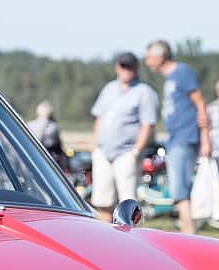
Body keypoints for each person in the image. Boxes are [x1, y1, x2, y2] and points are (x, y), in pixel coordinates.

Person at [143, 40, 209, 235]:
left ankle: (189, 234)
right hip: (175, 137)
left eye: (149, 57)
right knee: (178, 189)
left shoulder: (182, 72)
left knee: (180, 189)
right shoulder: (171, 78)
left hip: (185, 137)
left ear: (160, 56)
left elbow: (200, 104)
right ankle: (187, 231)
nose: (147, 62)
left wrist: (205, 138)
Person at [88, 51, 157, 221]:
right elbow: (99, 117)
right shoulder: (109, 88)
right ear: (117, 68)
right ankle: (104, 239)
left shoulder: (144, 92)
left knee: (128, 205)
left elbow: (148, 124)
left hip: (126, 153)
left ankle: (131, 242)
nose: (127, 70)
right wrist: (95, 146)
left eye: (130, 66)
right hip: (103, 152)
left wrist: (135, 152)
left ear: (136, 68)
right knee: (103, 202)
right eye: (123, 66)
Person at [27, 101, 65, 168]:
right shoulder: (53, 127)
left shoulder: (30, 125)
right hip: (49, 160)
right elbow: (58, 148)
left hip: (32, 157)